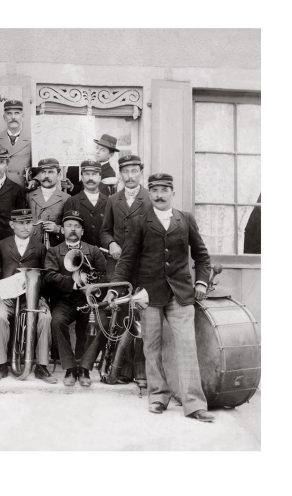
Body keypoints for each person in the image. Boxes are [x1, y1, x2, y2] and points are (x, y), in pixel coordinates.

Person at [105, 173, 215, 423]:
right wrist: (115, 288)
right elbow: (127, 260)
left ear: (173, 192)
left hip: (181, 293)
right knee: (151, 346)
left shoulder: (185, 219)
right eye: (154, 190)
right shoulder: (141, 222)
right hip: (149, 294)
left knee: (187, 347)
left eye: (165, 189)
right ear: (150, 193)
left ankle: (194, 404)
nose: (159, 194)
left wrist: (200, 281)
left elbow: (202, 256)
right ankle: (158, 397)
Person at [100, 154, 151, 387]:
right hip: (120, 267)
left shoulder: (150, 198)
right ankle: (121, 370)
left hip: (142, 267)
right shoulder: (113, 200)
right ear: (120, 174)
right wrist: (111, 243)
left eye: (134, 171)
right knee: (120, 315)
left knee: (140, 316)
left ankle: (141, 371)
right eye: (125, 172)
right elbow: (105, 230)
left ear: (141, 172)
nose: (130, 177)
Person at [0, 209, 55, 384]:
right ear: (12, 225)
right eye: (21, 223)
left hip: (30, 298)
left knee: (45, 318)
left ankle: (42, 366)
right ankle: (1, 364)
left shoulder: (39, 247)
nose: (26, 227)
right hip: (6, 297)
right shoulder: (1, 245)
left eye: (28, 223)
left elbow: (46, 276)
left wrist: (43, 298)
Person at [44, 211, 108, 387]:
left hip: (88, 301)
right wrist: (73, 283)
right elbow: (49, 276)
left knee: (102, 321)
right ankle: (70, 367)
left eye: (77, 226)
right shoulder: (54, 251)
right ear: (62, 230)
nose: (73, 229)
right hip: (64, 301)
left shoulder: (93, 250)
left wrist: (93, 286)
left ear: (82, 231)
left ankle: (85, 367)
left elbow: (104, 275)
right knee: (57, 322)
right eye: (69, 226)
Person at [62, 160, 108, 247]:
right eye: (87, 174)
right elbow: (67, 231)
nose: (90, 178)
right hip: (80, 253)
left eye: (94, 174)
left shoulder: (109, 202)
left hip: (104, 254)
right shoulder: (72, 201)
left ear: (100, 177)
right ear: (82, 177)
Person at [27, 157, 69, 248]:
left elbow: (72, 228)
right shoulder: (28, 196)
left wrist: (58, 229)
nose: (46, 176)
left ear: (59, 174)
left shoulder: (67, 199)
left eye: (50, 172)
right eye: (43, 172)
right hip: (31, 248)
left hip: (56, 248)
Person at [0, 100, 31, 186]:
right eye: (9, 113)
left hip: (22, 188)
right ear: (4, 117)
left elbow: (37, 167)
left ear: (23, 116)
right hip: (0, 188)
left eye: (17, 113)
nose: (13, 117)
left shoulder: (31, 139)